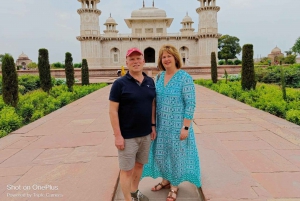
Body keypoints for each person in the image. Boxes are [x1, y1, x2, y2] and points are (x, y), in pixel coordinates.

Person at [142, 44, 201, 201]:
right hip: (162, 125)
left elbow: (190, 103)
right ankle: (166, 180)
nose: (166, 59)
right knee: (161, 155)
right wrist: (152, 124)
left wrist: (186, 127)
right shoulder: (159, 77)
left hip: (177, 125)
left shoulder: (184, 78)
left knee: (175, 156)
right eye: (163, 56)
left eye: (169, 56)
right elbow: (154, 101)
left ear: (175, 57)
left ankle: (174, 185)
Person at [109, 47, 156, 201]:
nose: (135, 62)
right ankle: (128, 199)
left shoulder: (150, 81)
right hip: (127, 135)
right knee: (126, 170)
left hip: (145, 134)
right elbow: (113, 111)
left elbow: (152, 104)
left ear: (143, 61)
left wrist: (153, 126)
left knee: (139, 165)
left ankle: (135, 192)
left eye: (138, 59)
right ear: (127, 62)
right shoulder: (119, 84)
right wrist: (117, 136)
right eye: (132, 59)